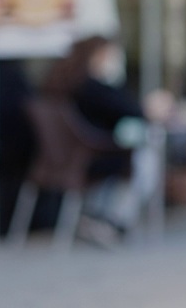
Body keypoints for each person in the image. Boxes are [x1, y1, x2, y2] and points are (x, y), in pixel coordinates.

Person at [42, 35, 172, 240]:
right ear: (96, 56)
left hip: (61, 160)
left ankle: (98, 217)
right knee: (145, 156)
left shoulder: (63, 83)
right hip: (90, 157)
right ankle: (113, 221)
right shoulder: (91, 87)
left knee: (140, 149)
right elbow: (133, 110)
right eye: (108, 55)